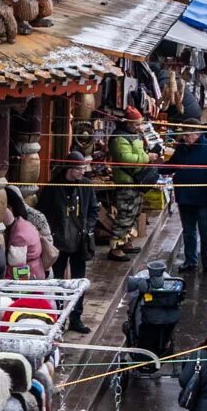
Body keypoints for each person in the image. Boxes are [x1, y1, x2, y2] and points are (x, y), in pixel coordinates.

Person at [39, 149, 96, 332]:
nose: (83, 172)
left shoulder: (86, 186)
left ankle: (76, 318)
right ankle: (58, 318)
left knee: (79, 282)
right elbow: (43, 212)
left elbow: (94, 210)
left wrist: (88, 228)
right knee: (57, 282)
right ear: (71, 168)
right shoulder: (53, 187)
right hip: (59, 241)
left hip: (80, 241)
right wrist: (51, 233)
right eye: (80, 168)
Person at [164, 117, 207, 275]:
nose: (185, 138)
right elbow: (173, 165)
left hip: (203, 198)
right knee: (188, 231)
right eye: (184, 135)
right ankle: (190, 261)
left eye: (188, 135)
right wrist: (154, 167)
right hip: (184, 196)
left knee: (206, 231)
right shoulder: (181, 148)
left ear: (197, 133)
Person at [105, 109, 151, 259]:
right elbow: (125, 158)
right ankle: (115, 248)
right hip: (126, 181)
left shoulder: (134, 134)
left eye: (140, 124)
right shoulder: (119, 138)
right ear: (128, 123)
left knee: (134, 213)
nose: (139, 127)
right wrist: (146, 157)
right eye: (136, 124)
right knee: (125, 213)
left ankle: (125, 241)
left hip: (136, 181)